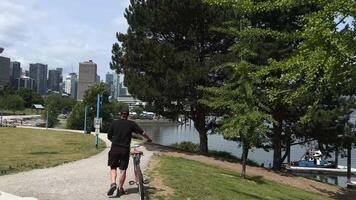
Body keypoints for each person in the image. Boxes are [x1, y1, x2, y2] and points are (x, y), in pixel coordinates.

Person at [107, 106, 152, 197]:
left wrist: (115, 142)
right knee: (123, 170)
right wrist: (149, 139)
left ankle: (113, 183)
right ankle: (120, 189)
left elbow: (109, 137)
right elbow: (142, 132)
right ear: (128, 115)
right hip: (125, 150)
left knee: (113, 168)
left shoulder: (114, 123)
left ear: (120, 114)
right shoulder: (131, 124)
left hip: (114, 149)